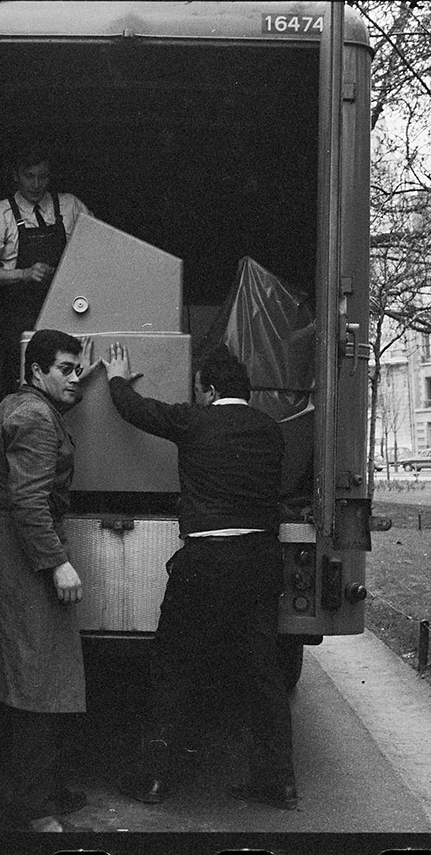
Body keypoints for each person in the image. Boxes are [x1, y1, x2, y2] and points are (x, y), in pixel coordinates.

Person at [101, 343, 298, 811]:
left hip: (206, 561)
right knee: (263, 673)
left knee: (173, 668)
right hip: (259, 561)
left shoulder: (195, 421)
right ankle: (279, 784)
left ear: (208, 389)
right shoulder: (270, 430)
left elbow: (137, 411)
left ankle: (151, 780)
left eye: (198, 389)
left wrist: (117, 378)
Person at [0, 328, 97, 831]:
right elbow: (28, 501)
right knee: (34, 681)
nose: (75, 378)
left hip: (11, 548)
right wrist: (56, 562)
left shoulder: (23, 406)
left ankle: (39, 788)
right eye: (65, 369)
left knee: (32, 677)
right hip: (24, 555)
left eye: (79, 369)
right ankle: (32, 807)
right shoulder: (35, 418)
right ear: (37, 371)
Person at [0, 142, 92, 390]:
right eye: (29, 177)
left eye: (43, 177)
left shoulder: (71, 206)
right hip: (18, 318)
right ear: (15, 175)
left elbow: (99, 248)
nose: (36, 185)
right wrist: (25, 274)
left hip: (67, 311)